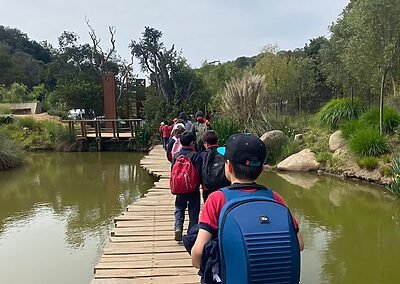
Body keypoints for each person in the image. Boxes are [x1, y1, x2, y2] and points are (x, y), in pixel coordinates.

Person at [191, 133, 304, 270]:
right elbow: (299, 244)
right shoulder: (275, 198)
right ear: (261, 169)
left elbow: (198, 253)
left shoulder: (217, 199)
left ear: (229, 167)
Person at [170, 131, 202, 241]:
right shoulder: (195, 155)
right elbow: (199, 172)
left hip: (180, 188)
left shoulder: (176, 155)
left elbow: (172, 171)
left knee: (179, 208)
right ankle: (191, 233)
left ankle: (178, 227)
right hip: (193, 188)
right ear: (192, 143)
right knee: (194, 211)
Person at [200, 130, 230, 202]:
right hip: (224, 187)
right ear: (217, 141)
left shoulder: (202, 155)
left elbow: (199, 171)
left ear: (206, 144)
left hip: (207, 188)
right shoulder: (224, 152)